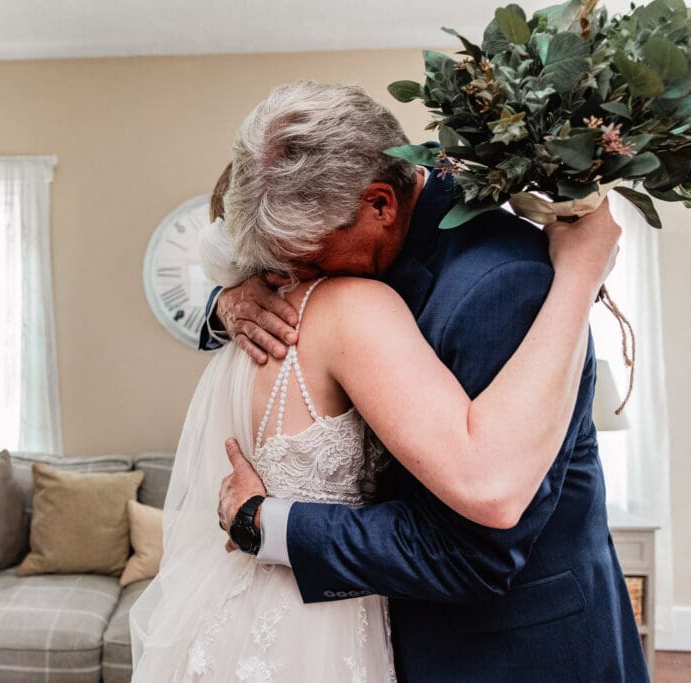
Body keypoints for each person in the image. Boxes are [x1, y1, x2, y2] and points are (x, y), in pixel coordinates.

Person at [130, 81, 644, 681]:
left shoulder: (500, 282)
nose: (296, 282)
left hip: (510, 654)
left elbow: (475, 552)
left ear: (379, 204)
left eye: (307, 260)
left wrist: (263, 523)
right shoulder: (361, 239)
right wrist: (228, 300)